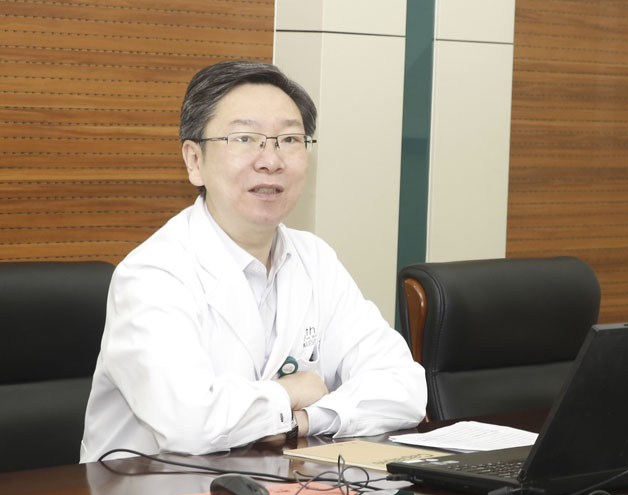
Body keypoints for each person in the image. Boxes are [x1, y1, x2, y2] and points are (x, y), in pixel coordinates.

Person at [79, 61, 427, 462]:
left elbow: (405, 389)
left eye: (289, 139)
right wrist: (288, 393)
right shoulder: (152, 274)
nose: (270, 160)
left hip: (280, 486)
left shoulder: (315, 259)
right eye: (245, 138)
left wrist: (304, 420)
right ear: (194, 161)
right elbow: (190, 425)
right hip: (150, 492)